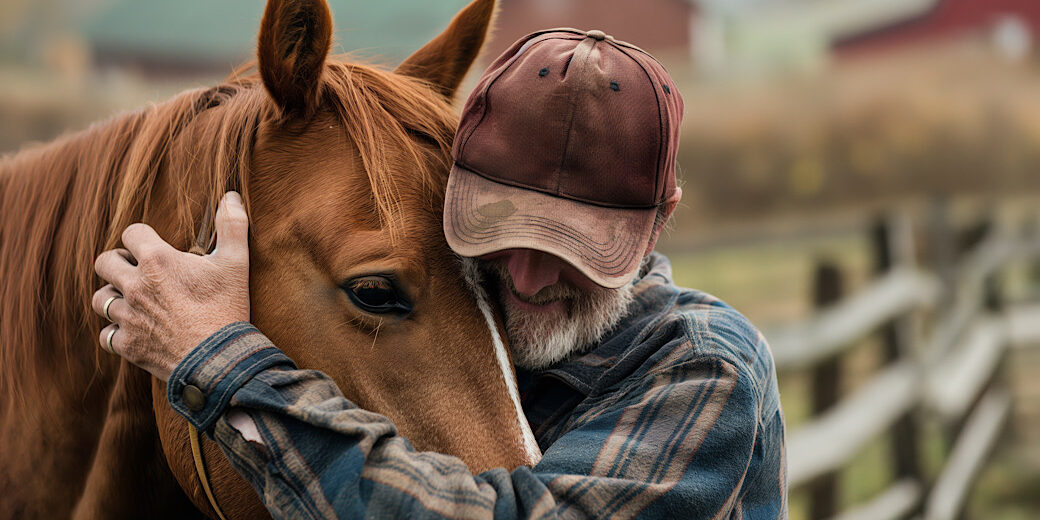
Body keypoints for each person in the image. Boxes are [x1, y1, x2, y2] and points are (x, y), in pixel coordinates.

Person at [93, 29, 787, 518]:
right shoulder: (469, 318)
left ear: (660, 220)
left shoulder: (704, 370)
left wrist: (222, 365)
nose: (524, 276)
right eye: (497, 225)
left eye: (578, 247)